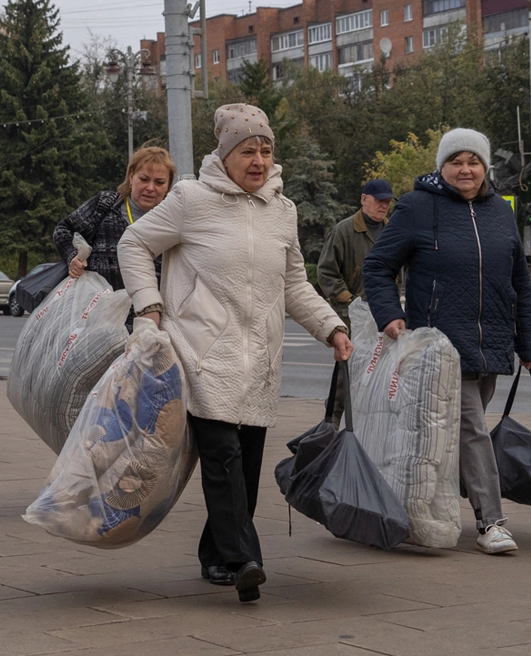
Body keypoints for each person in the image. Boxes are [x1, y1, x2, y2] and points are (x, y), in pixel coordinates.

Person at [118, 104, 353, 602]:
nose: (259, 160)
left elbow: (294, 284)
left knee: (244, 467)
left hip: (261, 358)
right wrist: (150, 308)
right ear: (225, 155)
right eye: (248, 150)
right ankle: (245, 558)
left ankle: (216, 556)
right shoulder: (190, 200)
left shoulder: (282, 211)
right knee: (222, 459)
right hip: (202, 352)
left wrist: (331, 327)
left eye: (266, 150)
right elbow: (134, 243)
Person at [362, 128, 531, 555]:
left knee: (456, 434)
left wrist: (528, 346)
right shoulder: (417, 207)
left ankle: (408, 506)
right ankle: (491, 522)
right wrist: (390, 316)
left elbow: (520, 279)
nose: (466, 169)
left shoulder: (500, 210)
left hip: (492, 342)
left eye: (473, 161)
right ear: (442, 167)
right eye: (456, 161)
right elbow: (377, 266)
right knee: (472, 429)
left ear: (484, 167)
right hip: (439, 347)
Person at [317, 179, 394, 428]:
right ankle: (331, 426)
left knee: (378, 373)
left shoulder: (392, 230)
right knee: (345, 374)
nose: (383, 205)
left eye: (387, 201)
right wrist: (349, 300)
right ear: (364, 199)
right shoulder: (345, 230)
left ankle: (367, 427)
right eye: (378, 200)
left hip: (384, 314)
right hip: (352, 315)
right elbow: (326, 272)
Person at [53, 147, 176, 290]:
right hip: (97, 306)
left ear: (168, 186)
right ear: (131, 176)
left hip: (150, 310)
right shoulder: (105, 203)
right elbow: (63, 230)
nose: (150, 188)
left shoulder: (174, 221)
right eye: (144, 179)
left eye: (159, 182)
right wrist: (73, 256)